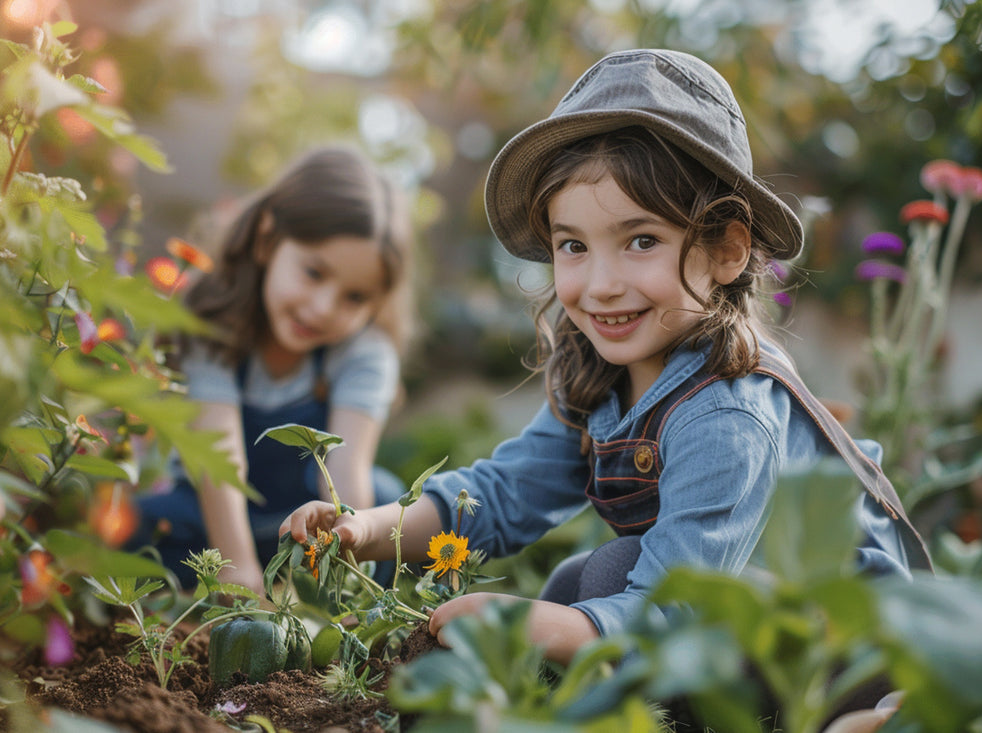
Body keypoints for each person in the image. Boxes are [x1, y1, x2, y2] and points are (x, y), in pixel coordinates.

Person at [281, 50, 932, 666]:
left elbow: (681, 604)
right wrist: (363, 530)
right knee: (578, 582)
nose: (600, 284)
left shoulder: (727, 413)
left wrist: (530, 623)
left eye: (640, 239)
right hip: (735, 612)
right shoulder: (599, 378)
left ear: (727, 250)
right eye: (573, 246)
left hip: (850, 643)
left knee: (604, 579)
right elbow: (503, 494)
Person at [131, 146, 414, 593]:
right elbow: (220, 462)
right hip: (210, 518)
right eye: (314, 273)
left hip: (304, 531)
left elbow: (344, 476)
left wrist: (345, 582)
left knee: (386, 503)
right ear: (267, 239)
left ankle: (307, 578)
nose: (323, 308)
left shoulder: (364, 354)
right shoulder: (212, 328)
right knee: (140, 524)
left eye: (355, 297)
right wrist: (238, 574)